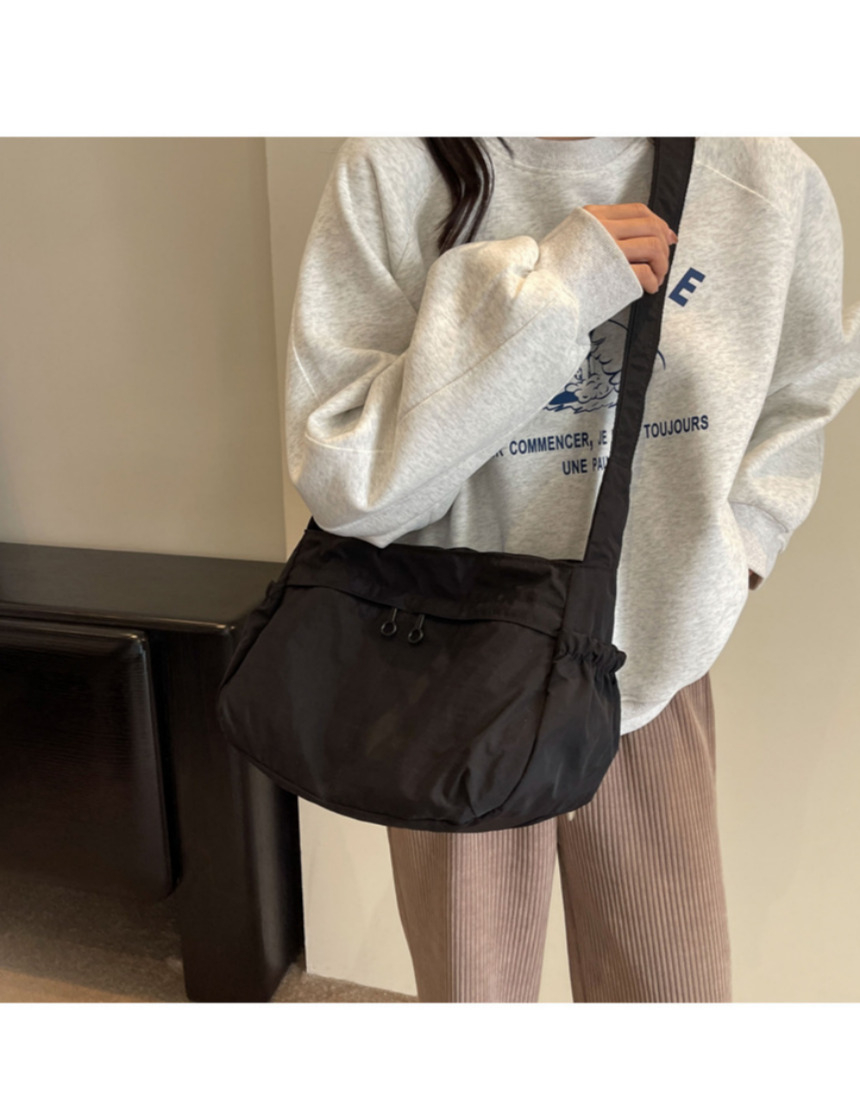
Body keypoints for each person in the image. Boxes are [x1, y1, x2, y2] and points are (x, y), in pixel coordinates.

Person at [284, 136, 860, 1001]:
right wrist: (558, 288)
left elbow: (803, 390)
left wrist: (743, 547)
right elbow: (345, 481)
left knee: (672, 998)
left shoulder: (761, 176)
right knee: (474, 1001)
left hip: (652, 664)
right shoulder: (397, 165)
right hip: (447, 669)